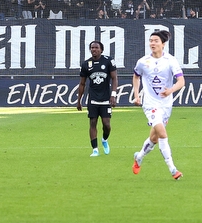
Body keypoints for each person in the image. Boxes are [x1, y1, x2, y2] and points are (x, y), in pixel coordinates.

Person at [131, 30, 185, 180]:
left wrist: (171, 90)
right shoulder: (143, 61)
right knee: (162, 134)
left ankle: (139, 156)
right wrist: (137, 95)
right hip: (150, 104)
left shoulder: (170, 60)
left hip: (166, 105)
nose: (152, 43)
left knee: (154, 139)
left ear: (163, 44)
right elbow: (136, 77)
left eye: (155, 41)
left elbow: (181, 81)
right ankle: (173, 170)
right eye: (150, 41)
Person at [76, 41, 118, 156]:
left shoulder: (108, 61)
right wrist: (79, 100)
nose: (94, 49)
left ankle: (104, 139)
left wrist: (113, 95)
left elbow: (114, 78)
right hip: (93, 98)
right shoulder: (86, 64)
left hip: (106, 98)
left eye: (96, 47)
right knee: (93, 122)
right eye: (92, 48)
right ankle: (95, 149)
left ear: (101, 50)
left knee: (106, 124)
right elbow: (82, 83)